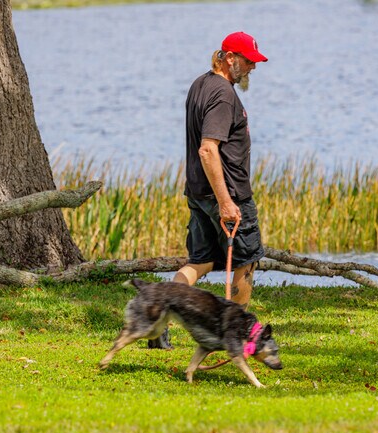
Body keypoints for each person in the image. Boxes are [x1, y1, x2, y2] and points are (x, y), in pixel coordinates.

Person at [148, 31, 268, 349]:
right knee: (245, 262)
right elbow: (207, 150)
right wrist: (227, 202)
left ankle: (159, 315)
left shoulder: (200, 85)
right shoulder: (223, 94)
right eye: (248, 61)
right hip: (225, 196)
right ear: (230, 58)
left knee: (199, 262)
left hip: (199, 193)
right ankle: (237, 337)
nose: (253, 68)